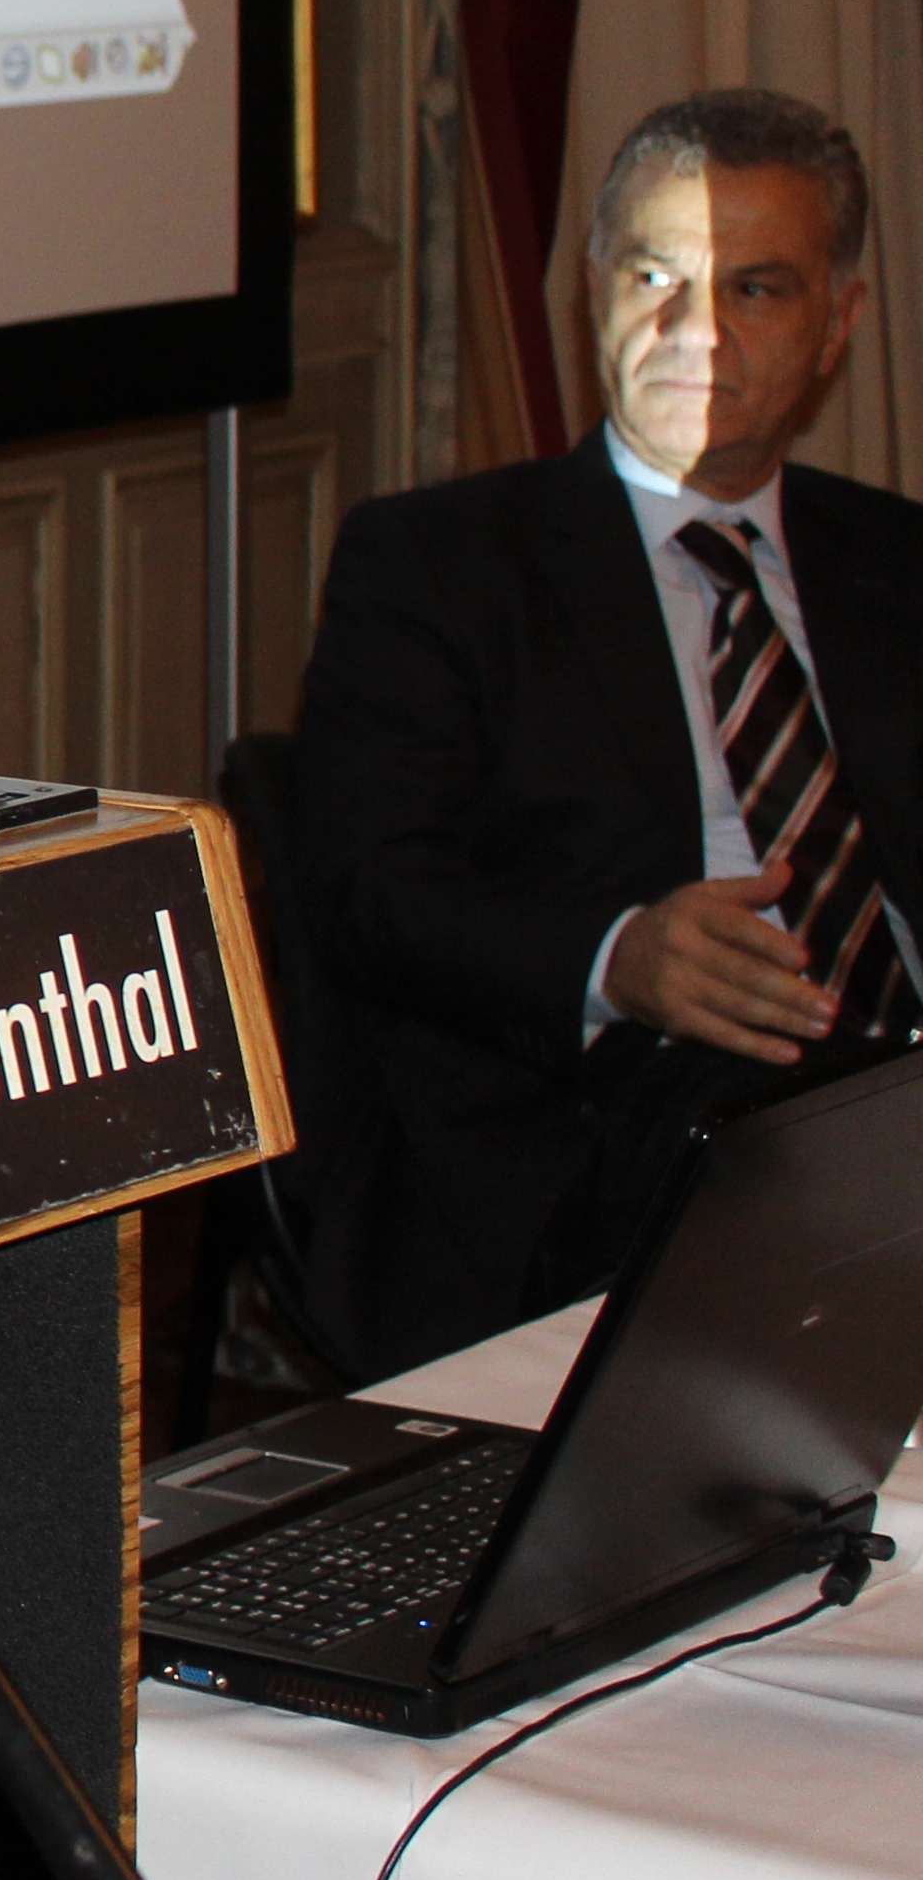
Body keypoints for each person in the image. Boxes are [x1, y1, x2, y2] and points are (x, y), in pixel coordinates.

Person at [294, 88, 923, 1377]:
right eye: (655, 277)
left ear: (839, 322)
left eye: (755, 289)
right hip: (610, 1138)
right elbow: (368, 892)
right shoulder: (438, 565)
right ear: (592, 292)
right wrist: (617, 955)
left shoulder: (897, 562)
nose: (696, 334)